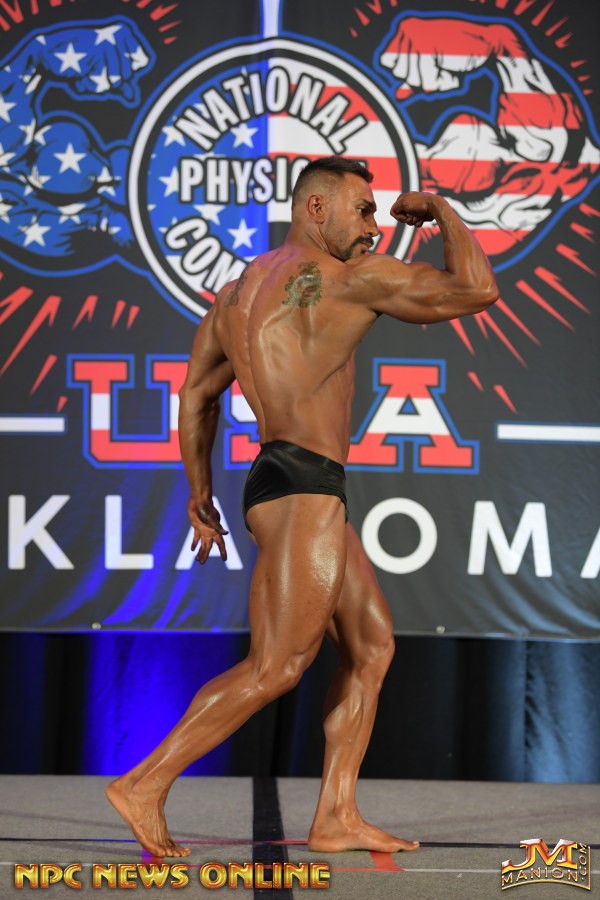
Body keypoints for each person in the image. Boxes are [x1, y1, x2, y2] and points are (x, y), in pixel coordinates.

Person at [106, 156, 499, 858]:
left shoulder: (236, 294)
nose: (375, 226)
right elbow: (476, 289)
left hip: (281, 479)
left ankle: (336, 815)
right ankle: (144, 782)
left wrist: (200, 492)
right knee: (278, 666)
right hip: (305, 488)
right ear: (316, 209)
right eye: (364, 210)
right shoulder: (349, 279)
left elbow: (197, 395)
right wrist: (439, 211)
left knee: (372, 645)